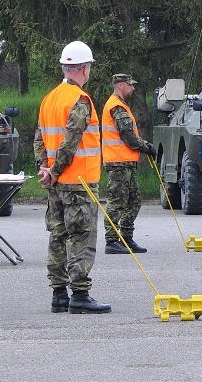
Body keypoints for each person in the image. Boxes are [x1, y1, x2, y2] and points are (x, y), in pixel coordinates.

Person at [34, 41, 111, 313]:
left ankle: (59, 294)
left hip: (57, 184)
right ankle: (80, 294)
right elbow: (71, 141)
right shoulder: (80, 100)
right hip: (79, 182)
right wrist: (54, 171)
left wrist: (45, 169)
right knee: (81, 237)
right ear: (84, 68)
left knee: (58, 235)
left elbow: (39, 138)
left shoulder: (49, 98)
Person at [102, 73, 156, 254]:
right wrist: (146, 147)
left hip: (126, 162)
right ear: (120, 86)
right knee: (116, 202)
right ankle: (111, 241)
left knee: (134, 201)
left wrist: (144, 147)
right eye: (130, 85)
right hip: (118, 162)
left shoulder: (122, 106)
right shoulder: (116, 107)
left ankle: (125, 237)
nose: (133, 89)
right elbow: (128, 136)